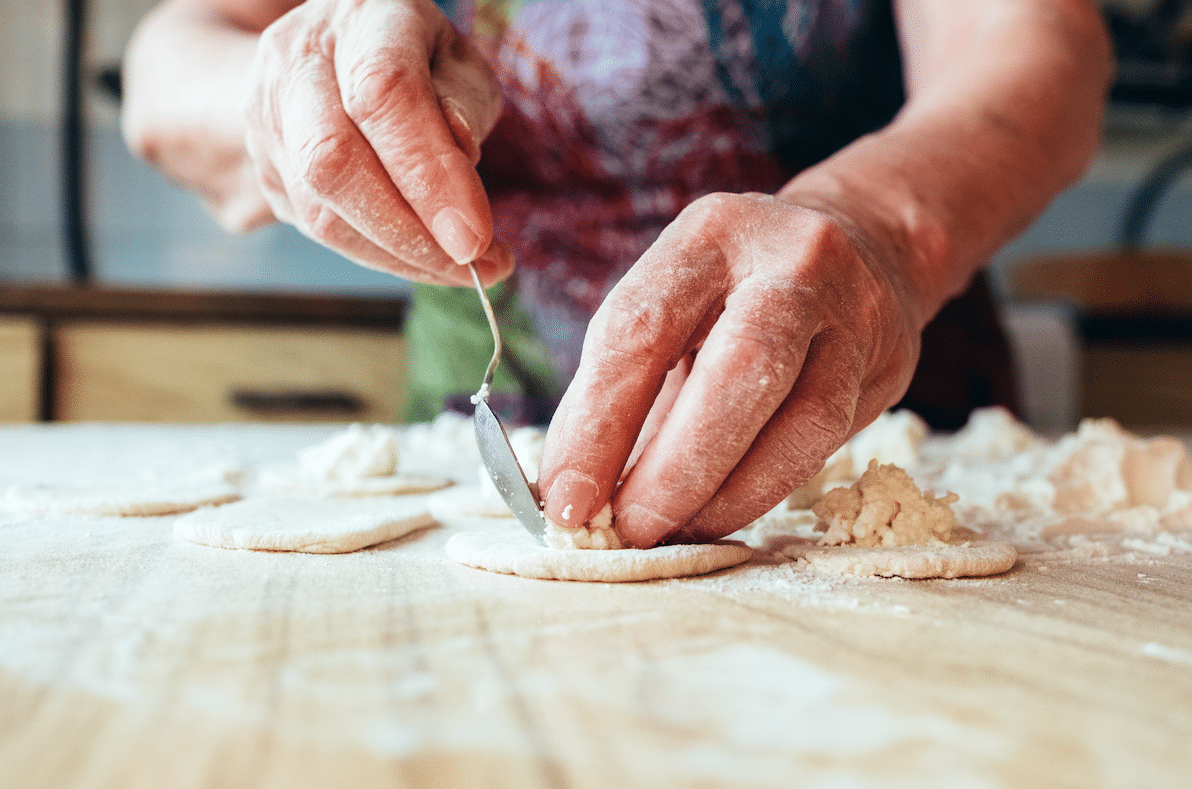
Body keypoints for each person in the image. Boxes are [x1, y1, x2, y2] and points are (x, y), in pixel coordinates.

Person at [121, 0, 1112, 548]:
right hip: (476, 441)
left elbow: (1040, 45)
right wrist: (272, 92)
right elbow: (168, 61)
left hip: (882, 447)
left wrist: (879, 226)